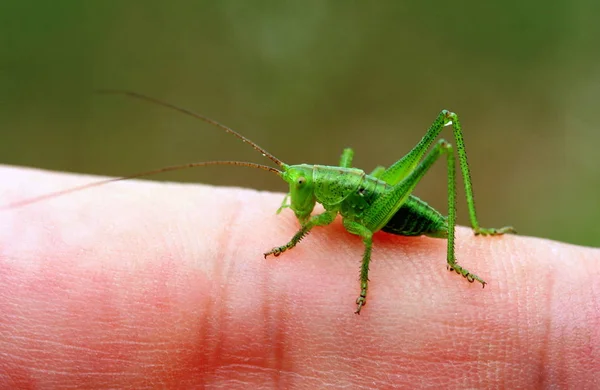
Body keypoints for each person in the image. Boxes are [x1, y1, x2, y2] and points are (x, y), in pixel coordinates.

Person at [1, 166, 598, 388]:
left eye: (300, 189)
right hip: (366, 190)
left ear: (316, 187)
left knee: (424, 154)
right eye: (297, 189)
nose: (296, 196)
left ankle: (462, 248)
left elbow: (350, 231)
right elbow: (312, 207)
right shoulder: (317, 185)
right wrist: (298, 220)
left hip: (394, 214)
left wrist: (353, 278)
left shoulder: (340, 205)